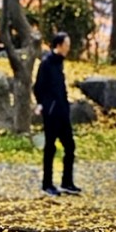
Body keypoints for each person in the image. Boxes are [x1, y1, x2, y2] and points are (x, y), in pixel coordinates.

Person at [33, 31, 81, 197]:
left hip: (62, 112)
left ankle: (67, 182)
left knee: (70, 146)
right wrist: (42, 105)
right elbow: (38, 87)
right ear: (59, 45)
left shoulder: (59, 63)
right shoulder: (46, 63)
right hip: (51, 112)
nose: (68, 48)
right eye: (67, 45)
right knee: (50, 148)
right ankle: (47, 184)